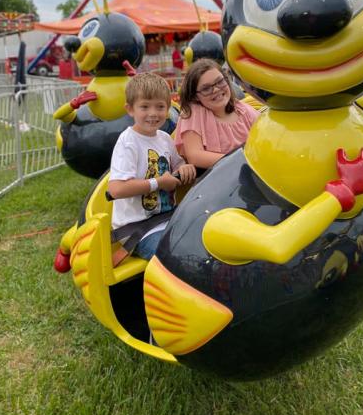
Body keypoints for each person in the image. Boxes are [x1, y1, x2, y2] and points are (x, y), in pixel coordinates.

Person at [108, 73, 196, 267]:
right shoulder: (128, 141)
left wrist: (185, 167)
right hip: (137, 229)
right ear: (130, 109)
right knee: (178, 260)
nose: (153, 113)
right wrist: (158, 183)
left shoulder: (164, 138)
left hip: (168, 219)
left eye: (160, 106)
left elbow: (177, 165)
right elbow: (116, 189)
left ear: (168, 108)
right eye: (145, 106)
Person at [174, 58, 259, 169]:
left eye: (220, 82)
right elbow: (195, 156)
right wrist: (242, 161)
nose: (216, 90)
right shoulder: (194, 113)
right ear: (195, 96)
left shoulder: (245, 111)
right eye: (206, 88)